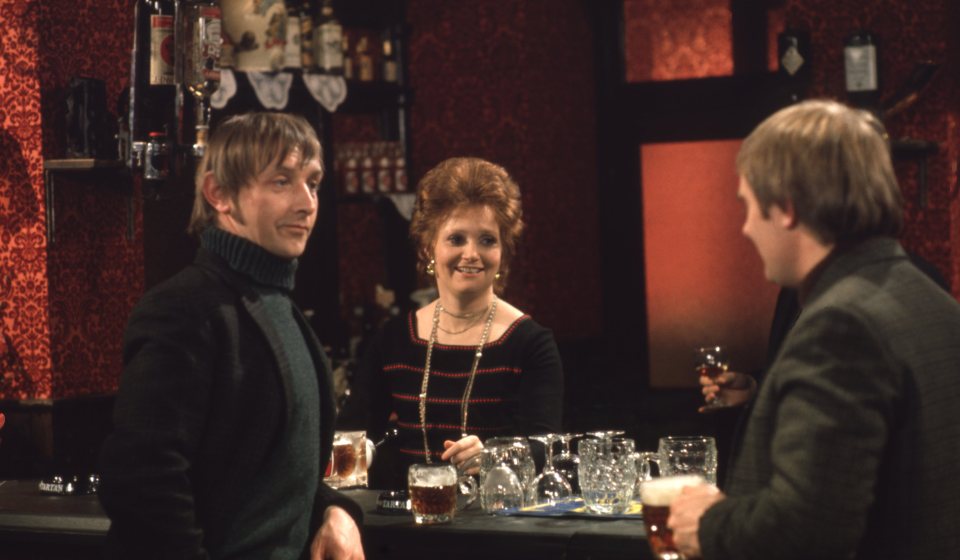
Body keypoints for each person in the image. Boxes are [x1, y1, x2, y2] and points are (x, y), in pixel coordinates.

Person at [669, 99, 960, 559]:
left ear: (786, 207)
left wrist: (708, 525)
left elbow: (805, 532)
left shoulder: (842, 325)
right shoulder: (933, 301)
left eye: (747, 206)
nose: (745, 228)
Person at [98, 113, 365, 560]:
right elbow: (140, 485)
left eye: (313, 183)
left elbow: (276, 468)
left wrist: (335, 510)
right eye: (282, 181)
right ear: (219, 194)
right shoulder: (185, 308)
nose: (307, 202)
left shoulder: (278, 303)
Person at [338, 157, 564, 489]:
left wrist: (493, 455)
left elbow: (545, 448)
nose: (471, 253)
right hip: (403, 524)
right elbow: (352, 434)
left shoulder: (530, 343)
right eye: (456, 239)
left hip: (499, 526)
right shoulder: (394, 339)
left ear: (503, 252)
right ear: (429, 247)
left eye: (487, 240)